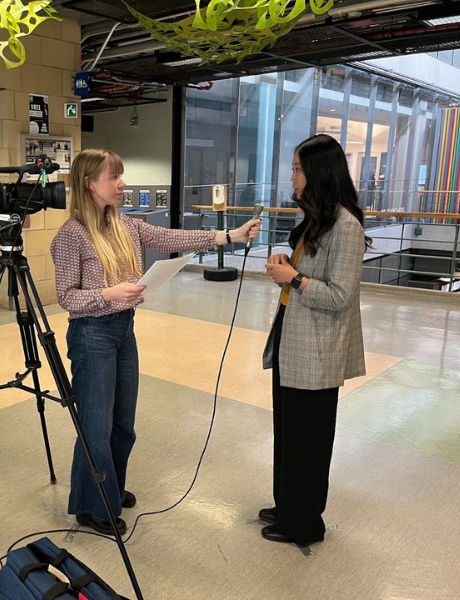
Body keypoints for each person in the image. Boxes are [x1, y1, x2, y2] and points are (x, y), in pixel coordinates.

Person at [51, 148, 261, 535]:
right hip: (91, 335)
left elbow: (168, 236)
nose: (122, 183)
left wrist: (227, 235)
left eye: (121, 174)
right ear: (88, 183)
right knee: (95, 427)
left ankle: (109, 487)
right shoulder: (71, 235)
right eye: (113, 177)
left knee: (123, 425)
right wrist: (109, 295)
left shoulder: (126, 225)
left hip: (122, 330)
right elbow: (66, 297)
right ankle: (92, 507)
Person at [259, 134, 372, 546]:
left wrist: (296, 278)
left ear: (318, 173)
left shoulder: (346, 227)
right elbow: (308, 274)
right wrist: (288, 266)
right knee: (289, 434)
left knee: (309, 442)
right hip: (294, 341)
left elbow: (340, 297)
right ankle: (288, 505)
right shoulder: (316, 218)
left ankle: (305, 522)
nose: (292, 176)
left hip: (318, 351)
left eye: (297, 169)